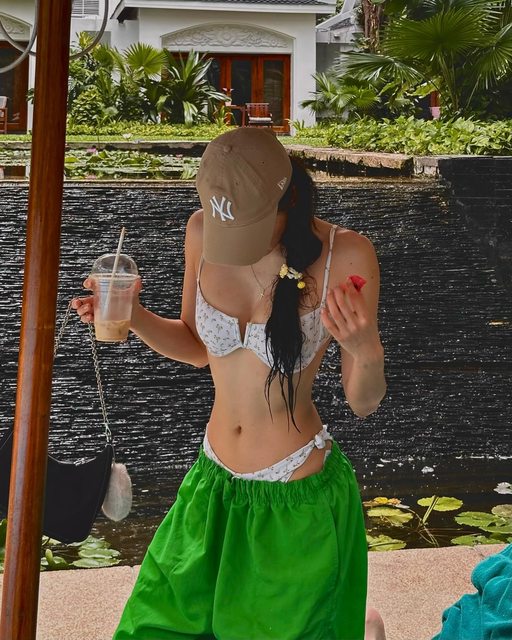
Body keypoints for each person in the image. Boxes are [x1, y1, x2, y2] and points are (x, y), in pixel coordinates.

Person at [73, 127, 386, 640]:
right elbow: (199, 346)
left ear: (287, 197)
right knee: (150, 629)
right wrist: (133, 315)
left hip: (293, 493)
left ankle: (362, 626)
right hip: (211, 484)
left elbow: (363, 401)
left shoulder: (345, 255)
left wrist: (366, 348)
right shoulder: (203, 230)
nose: (234, 239)